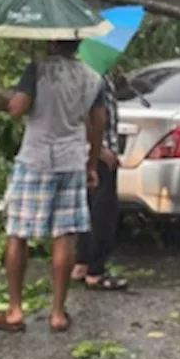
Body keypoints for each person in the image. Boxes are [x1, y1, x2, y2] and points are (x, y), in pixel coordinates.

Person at [0, 40, 106, 334]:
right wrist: (91, 164)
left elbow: (17, 109)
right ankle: (57, 314)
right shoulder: (93, 77)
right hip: (71, 162)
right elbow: (98, 123)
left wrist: (12, 95)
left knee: (17, 232)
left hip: (35, 159)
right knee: (64, 235)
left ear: (52, 40)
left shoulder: (37, 69)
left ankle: (15, 311)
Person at [72, 69, 128, 291]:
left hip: (96, 149)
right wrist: (100, 150)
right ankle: (96, 270)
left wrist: (119, 83)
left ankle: (82, 263)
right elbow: (83, 113)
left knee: (88, 207)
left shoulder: (102, 74)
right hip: (96, 151)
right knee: (103, 211)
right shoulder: (91, 74)